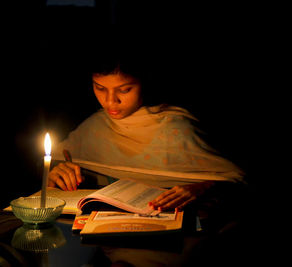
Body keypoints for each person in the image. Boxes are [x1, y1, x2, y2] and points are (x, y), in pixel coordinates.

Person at [47, 44, 244, 212]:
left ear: (145, 82)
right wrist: (58, 172)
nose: (110, 101)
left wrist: (203, 186)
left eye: (124, 90)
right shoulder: (94, 126)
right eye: (99, 88)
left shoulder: (177, 129)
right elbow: (56, 162)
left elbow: (239, 179)